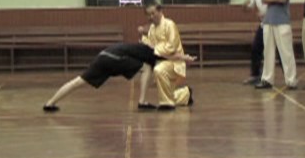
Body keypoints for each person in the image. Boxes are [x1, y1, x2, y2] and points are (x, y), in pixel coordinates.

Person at [43, 43, 196, 112]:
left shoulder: (145, 49)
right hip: (114, 57)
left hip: (104, 55)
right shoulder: (152, 51)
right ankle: (142, 102)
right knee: (146, 67)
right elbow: (169, 55)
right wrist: (185, 58)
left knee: (78, 81)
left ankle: (50, 103)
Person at [256, 0, 298, 89]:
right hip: (268, 21)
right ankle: (267, 79)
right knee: (267, 52)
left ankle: (291, 80)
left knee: (286, 52)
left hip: (282, 21)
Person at [140, 4, 193, 111]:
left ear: (160, 11)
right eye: (148, 15)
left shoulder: (169, 24)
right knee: (167, 91)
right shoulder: (152, 29)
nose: (151, 17)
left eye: (153, 13)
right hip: (162, 61)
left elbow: (171, 47)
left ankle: (166, 104)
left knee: (159, 70)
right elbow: (151, 45)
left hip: (175, 62)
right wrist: (144, 42)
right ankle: (184, 94)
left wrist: (154, 48)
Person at [242, 0, 282, 85]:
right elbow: (248, 7)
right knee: (256, 48)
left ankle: (289, 76)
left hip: (275, 23)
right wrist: (244, 5)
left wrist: (265, 13)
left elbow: (276, 3)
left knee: (281, 51)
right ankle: (255, 75)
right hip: (263, 25)